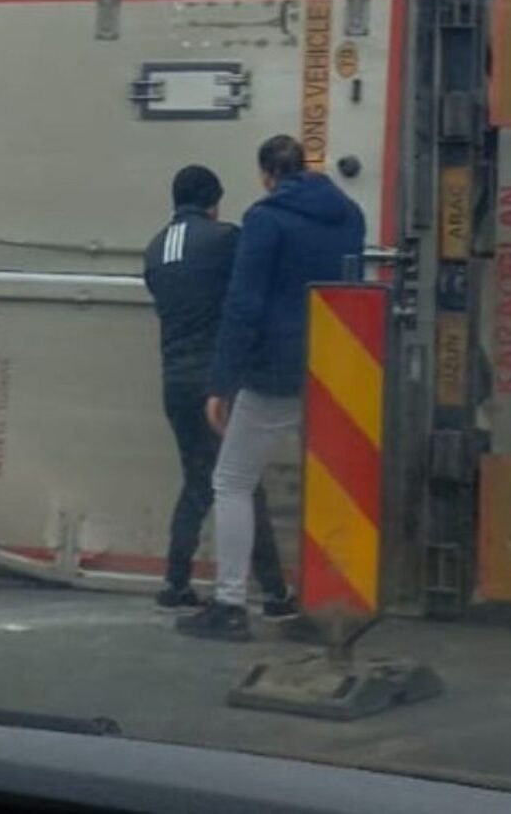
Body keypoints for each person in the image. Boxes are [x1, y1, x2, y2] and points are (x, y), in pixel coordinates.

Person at [177, 135, 366, 641]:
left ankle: (230, 604)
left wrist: (222, 380)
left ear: (267, 175)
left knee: (232, 480)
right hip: (337, 368)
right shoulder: (350, 214)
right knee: (329, 487)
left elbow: (245, 304)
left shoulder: (265, 220)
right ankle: (329, 607)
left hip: (277, 371)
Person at [143, 164, 293, 617]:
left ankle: (175, 583)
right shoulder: (225, 239)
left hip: (173, 380)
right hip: (215, 386)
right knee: (242, 484)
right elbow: (249, 294)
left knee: (197, 479)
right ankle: (275, 594)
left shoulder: (155, 248)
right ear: (213, 202)